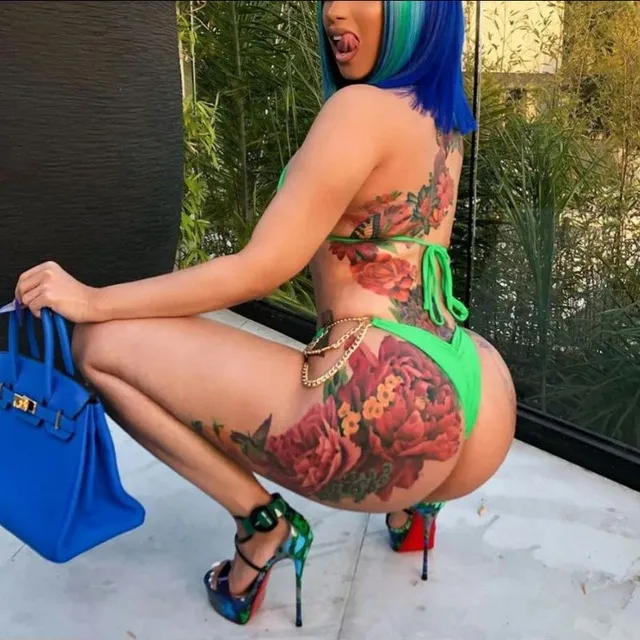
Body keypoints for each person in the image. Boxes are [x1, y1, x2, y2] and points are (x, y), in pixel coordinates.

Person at [14, 0, 516, 629]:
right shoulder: (440, 119)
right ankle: (412, 513)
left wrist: (93, 300)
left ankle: (261, 525)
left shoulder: (360, 110)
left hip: (383, 401)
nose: (335, 12)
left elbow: (259, 269)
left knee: (97, 347)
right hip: (475, 389)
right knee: (404, 430)